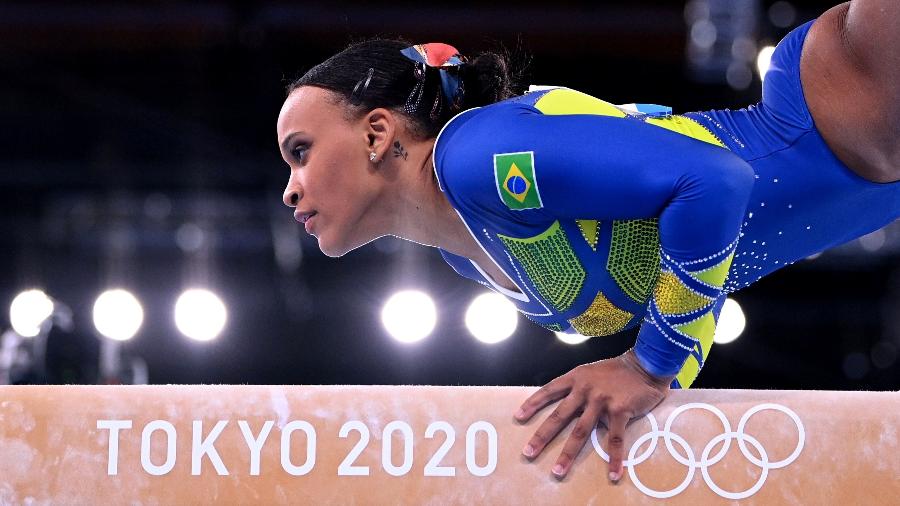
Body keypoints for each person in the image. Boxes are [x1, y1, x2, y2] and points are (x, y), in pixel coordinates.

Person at [276, 1, 899, 483]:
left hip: (843, 104)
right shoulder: (467, 254)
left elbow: (716, 181)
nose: (289, 189)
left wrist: (650, 366)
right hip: (871, 174)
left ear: (377, 132)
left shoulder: (474, 156)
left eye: (300, 152)